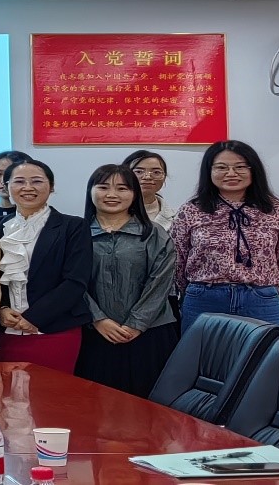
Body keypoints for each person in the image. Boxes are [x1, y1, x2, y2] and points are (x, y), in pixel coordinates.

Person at [171, 140, 279, 331]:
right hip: (204, 299)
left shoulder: (278, 211)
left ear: (254, 170)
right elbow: (177, 259)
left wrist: (269, 292)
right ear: (209, 171)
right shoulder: (191, 210)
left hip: (260, 300)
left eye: (240, 167)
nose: (231, 173)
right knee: (204, 351)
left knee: (263, 350)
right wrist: (192, 291)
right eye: (221, 167)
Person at [75, 164, 178, 398]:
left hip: (150, 334)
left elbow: (160, 283)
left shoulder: (154, 233)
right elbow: (72, 282)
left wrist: (136, 324)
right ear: (90, 191)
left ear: (134, 194)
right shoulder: (76, 233)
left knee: (148, 407)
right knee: (95, 406)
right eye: (103, 187)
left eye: (122, 188)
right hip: (94, 335)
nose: (112, 194)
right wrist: (98, 319)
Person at [0, 158, 92, 373]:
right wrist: (1, 310)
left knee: (52, 391)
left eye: (37, 181)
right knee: (4, 391)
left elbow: (75, 281)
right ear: (6, 187)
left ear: (51, 187)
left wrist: (34, 317)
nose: (28, 187)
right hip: (4, 331)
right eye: (19, 181)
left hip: (55, 330)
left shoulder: (73, 226)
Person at [123, 150, 177, 231]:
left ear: (164, 177)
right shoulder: (110, 213)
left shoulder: (177, 217)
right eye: (139, 172)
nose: (147, 177)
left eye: (156, 172)